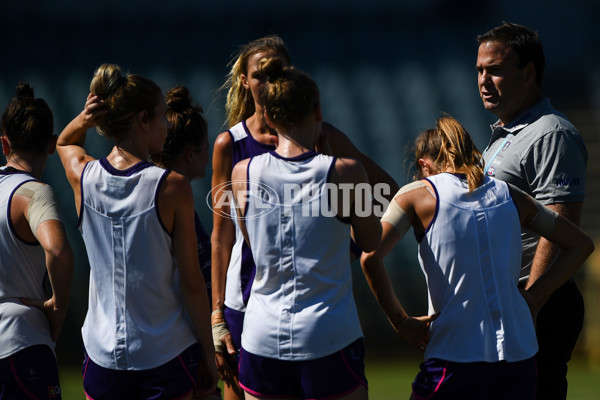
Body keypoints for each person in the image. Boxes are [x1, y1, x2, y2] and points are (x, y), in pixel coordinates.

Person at [210, 35, 398, 400]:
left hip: (280, 310)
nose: (266, 83)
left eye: (276, 72)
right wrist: (216, 314)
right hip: (247, 300)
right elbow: (223, 236)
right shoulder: (230, 146)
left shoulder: (252, 168)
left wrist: (333, 229)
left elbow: (388, 189)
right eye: (259, 75)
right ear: (244, 82)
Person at [360, 115, 594, 399]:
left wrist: (400, 321)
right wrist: (533, 298)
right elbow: (581, 245)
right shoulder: (511, 195)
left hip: (456, 356)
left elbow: (370, 257)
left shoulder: (416, 194)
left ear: (424, 165)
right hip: (519, 357)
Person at [56, 64, 218, 400]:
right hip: (164, 355)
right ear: (143, 119)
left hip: (102, 355)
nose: (166, 124)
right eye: (161, 115)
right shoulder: (172, 186)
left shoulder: (83, 175)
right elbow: (191, 282)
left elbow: (64, 142)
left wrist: (87, 118)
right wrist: (208, 350)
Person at [476, 22, 589, 399]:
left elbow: (560, 224)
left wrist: (532, 299)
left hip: (539, 301)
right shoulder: (506, 133)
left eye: (495, 69)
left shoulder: (550, 133)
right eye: (479, 70)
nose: (484, 80)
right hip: (512, 300)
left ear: (529, 73)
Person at [0, 82, 74, 399]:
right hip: (23, 341)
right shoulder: (34, 193)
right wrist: (58, 307)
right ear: (51, 144)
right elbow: (58, 251)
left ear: (5, 144)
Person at [150, 86, 212, 304]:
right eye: (206, 149)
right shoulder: (166, 197)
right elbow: (192, 283)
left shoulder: (173, 195)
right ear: (189, 155)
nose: (209, 157)